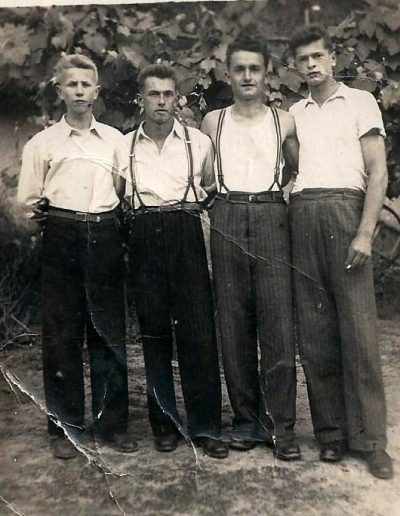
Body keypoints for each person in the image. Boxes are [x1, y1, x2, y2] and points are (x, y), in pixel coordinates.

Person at [17, 54, 137, 459]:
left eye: (87, 85)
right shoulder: (43, 143)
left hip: (103, 231)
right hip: (61, 234)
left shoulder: (116, 141)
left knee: (107, 329)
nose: (80, 91)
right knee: (62, 333)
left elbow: (123, 191)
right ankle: (66, 427)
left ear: (97, 91)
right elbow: (29, 201)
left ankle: (111, 424)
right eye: (72, 84)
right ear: (60, 91)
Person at [288, 24, 393, 479]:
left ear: (333, 59)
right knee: (315, 333)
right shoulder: (294, 113)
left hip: (345, 213)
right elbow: (294, 167)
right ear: (295, 67)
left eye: (318, 56)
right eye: (303, 59)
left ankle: (371, 441)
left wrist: (365, 233)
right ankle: (331, 434)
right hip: (304, 214)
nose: (311, 64)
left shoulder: (360, 101)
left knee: (359, 332)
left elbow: (378, 172)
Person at [113, 64, 228, 459]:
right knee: (155, 334)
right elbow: (117, 193)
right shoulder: (124, 146)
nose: (161, 102)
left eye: (167, 94)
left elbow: (210, 187)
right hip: (145, 233)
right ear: (140, 99)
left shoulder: (199, 142)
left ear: (178, 99)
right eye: (153, 94)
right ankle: (164, 425)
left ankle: (206, 426)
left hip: (186, 231)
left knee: (199, 332)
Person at [201, 34, 300, 460]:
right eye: (239, 69)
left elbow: (298, 167)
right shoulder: (212, 122)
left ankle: (281, 426)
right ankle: (246, 421)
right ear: (227, 73)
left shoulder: (284, 121)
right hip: (226, 215)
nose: (247, 76)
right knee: (234, 323)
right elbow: (204, 175)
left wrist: (282, 195)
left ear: (266, 73)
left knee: (277, 324)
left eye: (254, 69)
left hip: (271, 215)